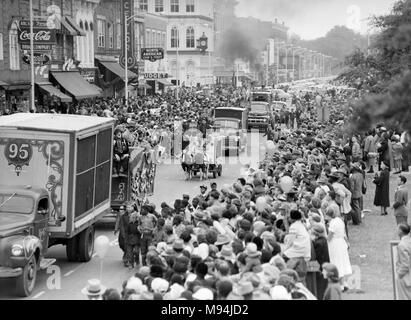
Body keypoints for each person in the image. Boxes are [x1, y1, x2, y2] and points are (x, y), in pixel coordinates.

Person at [326, 207, 352, 291]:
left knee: (337, 263)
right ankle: (344, 283)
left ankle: (340, 285)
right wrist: (347, 242)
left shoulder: (333, 223)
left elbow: (329, 237)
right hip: (341, 243)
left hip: (335, 244)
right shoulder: (340, 220)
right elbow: (344, 233)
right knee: (343, 262)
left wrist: (325, 242)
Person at [283, 210, 311, 285]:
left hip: (299, 250)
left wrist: (284, 251)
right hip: (305, 250)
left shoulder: (293, 226)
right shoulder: (301, 225)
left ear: (292, 218)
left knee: (284, 256)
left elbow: (290, 241)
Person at [311, 224, 330, 300]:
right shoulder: (324, 240)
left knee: (320, 287)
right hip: (325, 264)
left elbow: (316, 256)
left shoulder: (317, 243)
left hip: (320, 266)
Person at [396, 223, 411, 300]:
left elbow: (405, 264)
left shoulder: (402, 245)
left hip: (405, 278)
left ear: (400, 231)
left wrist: (399, 275)